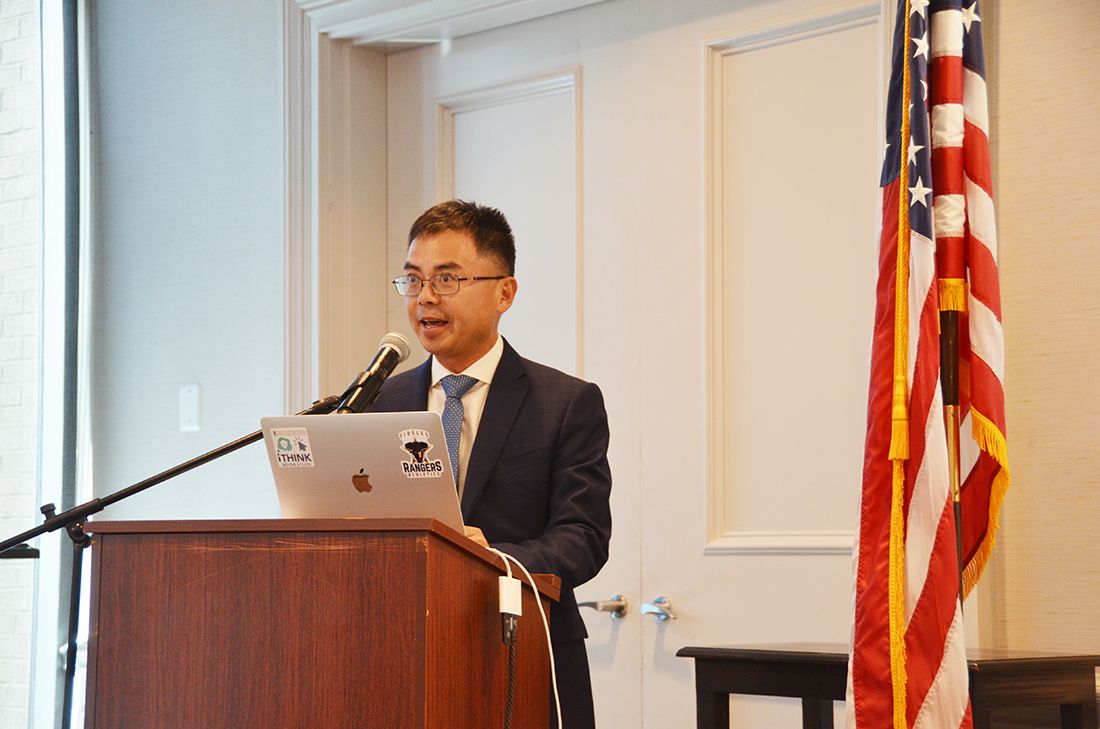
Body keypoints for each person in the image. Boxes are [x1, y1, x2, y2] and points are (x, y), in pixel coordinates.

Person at [368, 200, 612, 728]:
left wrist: (489, 557)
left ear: (505, 292)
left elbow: (584, 538)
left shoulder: (565, 403)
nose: (425, 298)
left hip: (522, 653)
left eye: (447, 279)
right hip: (401, 658)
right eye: (413, 280)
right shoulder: (383, 402)